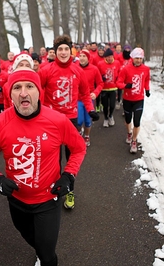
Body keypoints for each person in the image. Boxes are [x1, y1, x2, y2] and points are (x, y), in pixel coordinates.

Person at [0, 67, 86, 266]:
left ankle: (44, 256)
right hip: (17, 199)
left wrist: (69, 176)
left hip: (47, 199)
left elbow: (78, 149)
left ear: (39, 92)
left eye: (30, 86)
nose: (24, 92)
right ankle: (40, 250)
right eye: (17, 87)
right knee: (29, 237)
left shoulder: (57, 120)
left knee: (47, 254)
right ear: (10, 94)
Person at [38, 34, 99, 209]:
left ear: (70, 50)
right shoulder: (46, 70)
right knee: (53, 160)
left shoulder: (78, 71)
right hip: (51, 120)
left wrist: (91, 110)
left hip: (71, 120)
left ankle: (69, 190)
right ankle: (54, 188)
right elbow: (36, 90)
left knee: (71, 158)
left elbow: (85, 94)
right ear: (55, 52)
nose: (63, 52)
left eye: (66, 49)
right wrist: (38, 111)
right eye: (60, 49)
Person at [116, 47, 151, 153]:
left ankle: (134, 141)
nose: (139, 60)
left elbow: (146, 80)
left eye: (140, 58)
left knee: (136, 121)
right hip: (127, 99)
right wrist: (126, 85)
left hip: (139, 99)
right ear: (132, 57)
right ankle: (129, 133)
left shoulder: (146, 69)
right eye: (137, 58)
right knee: (128, 120)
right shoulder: (125, 69)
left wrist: (147, 89)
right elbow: (118, 83)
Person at [78, 49, 104, 146]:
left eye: (84, 56)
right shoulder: (74, 68)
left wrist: (95, 93)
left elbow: (100, 83)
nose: (82, 58)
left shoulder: (94, 69)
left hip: (89, 98)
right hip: (77, 99)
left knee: (88, 120)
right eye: (80, 56)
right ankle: (80, 132)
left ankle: (87, 136)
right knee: (79, 120)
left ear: (88, 58)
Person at [97, 48, 121, 128]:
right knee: (105, 105)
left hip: (113, 88)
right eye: (108, 57)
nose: (110, 58)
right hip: (104, 88)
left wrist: (118, 79)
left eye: (111, 56)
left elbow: (120, 73)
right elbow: (97, 75)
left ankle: (110, 116)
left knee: (112, 105)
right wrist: (101, 78)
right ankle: (106, 118)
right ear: (105, 57)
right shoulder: (100, 64)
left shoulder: (117, 63)